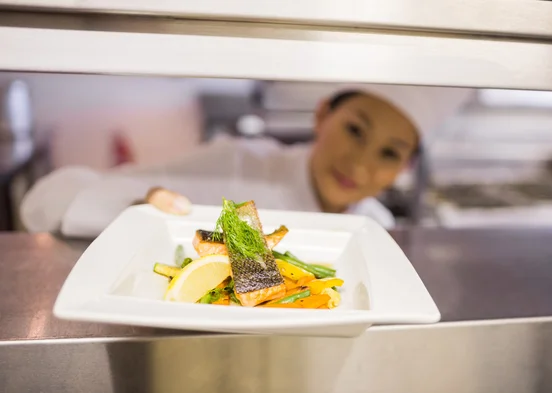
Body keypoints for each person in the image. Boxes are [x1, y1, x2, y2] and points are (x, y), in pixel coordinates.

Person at [20, 84, 472, 237]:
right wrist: (135, 207)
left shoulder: (373, 227)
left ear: (405, 166)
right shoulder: (238, 166)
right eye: (355, 130)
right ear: (322, 115)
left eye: (389, 153)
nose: (359, 164)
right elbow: (45, 198)